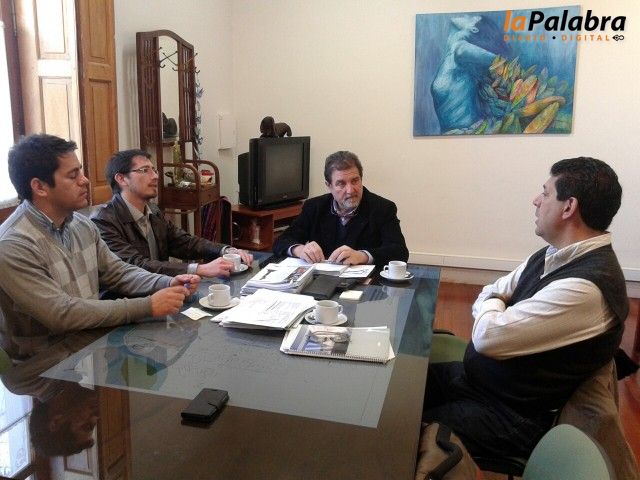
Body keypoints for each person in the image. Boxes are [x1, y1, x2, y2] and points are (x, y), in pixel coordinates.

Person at [422, 157, 629, 460]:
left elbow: (487, 336)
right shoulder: (555, 253)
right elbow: (493, 290)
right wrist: (496, 304)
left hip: (512, 416)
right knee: (400, 391)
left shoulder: (586, 288)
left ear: (568, 207)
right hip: (482, 384)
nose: (536, 200)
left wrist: (494, 307)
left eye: (545, 193)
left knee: (402, 425)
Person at [0, 134, 199, 360]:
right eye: (73, 175)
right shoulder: (14, 245)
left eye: (81, 172)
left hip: (89, 350)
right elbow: (61, 314)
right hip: (42, 366)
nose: (85, 180)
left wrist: (165, 282)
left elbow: (117, 272)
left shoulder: (81, 225)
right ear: (40, 187)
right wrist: (148, 305)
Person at [91, 149, 252, 277]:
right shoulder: (103, 221)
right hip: (129, 301)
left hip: (163, 290)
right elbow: (135, 265)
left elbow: (184, 242)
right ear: (121, 179)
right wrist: (199, 269)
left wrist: (225, 250)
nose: (155, 176)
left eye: (154, 170)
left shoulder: (153, 211)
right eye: (144, 170)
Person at [272, 151, 408, 266]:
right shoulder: (314, 207)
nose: (350, 190)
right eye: (341, 184)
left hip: (365, 283)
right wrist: (299, 249)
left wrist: (362, 256)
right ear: (329, 185)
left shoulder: (383, 208)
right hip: (321, 279)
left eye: (355, 181)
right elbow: (281, 241)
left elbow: (399, 252)